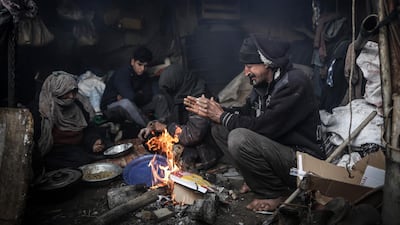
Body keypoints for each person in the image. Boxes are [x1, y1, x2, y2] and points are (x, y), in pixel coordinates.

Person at [184, 34, 325, 212]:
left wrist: (221, 116)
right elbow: (247, 114)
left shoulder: (294, 82)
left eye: (250, 66)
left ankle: (274, 193)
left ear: (267, 63)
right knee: (220, 129)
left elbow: (266, 127)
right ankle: (256, 180)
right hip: (280, 153)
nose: (245, 72)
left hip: (304, 163)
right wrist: (216, 111)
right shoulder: (263, 84)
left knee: (239, 138)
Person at [138, 64, 221, 170]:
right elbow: (172, 117)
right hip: (187, 138)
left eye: (170, 90)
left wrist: (165, 127)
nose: (170, 94)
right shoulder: (182, 92)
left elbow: (191, 135)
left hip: (204, 150)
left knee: (173, 156)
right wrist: (153, 126)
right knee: (151, 138)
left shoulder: (201, 99)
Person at [35, 71, 108, 171]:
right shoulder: (43, 112)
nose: (71, 96)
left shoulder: (77, 105)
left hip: (79, 144)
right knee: (81, 160)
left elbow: (87, 128)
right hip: (58, 152)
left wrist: (93, 141)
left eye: (73, 91)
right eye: (66, 92)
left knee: (106, 143)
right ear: (56, 92)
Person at [100, 46, 169, 127]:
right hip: (112, 107)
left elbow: (148, 95)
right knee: (126, 103)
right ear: (133, 62)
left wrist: (135, 96)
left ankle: (164, 126)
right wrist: (137, 95)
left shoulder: (144, 75)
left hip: (135, 105)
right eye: (139, 64)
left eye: (145, 66)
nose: (142, 68)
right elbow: (129, 97)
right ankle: (150, 128)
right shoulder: (123, 73)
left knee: (159, 98)